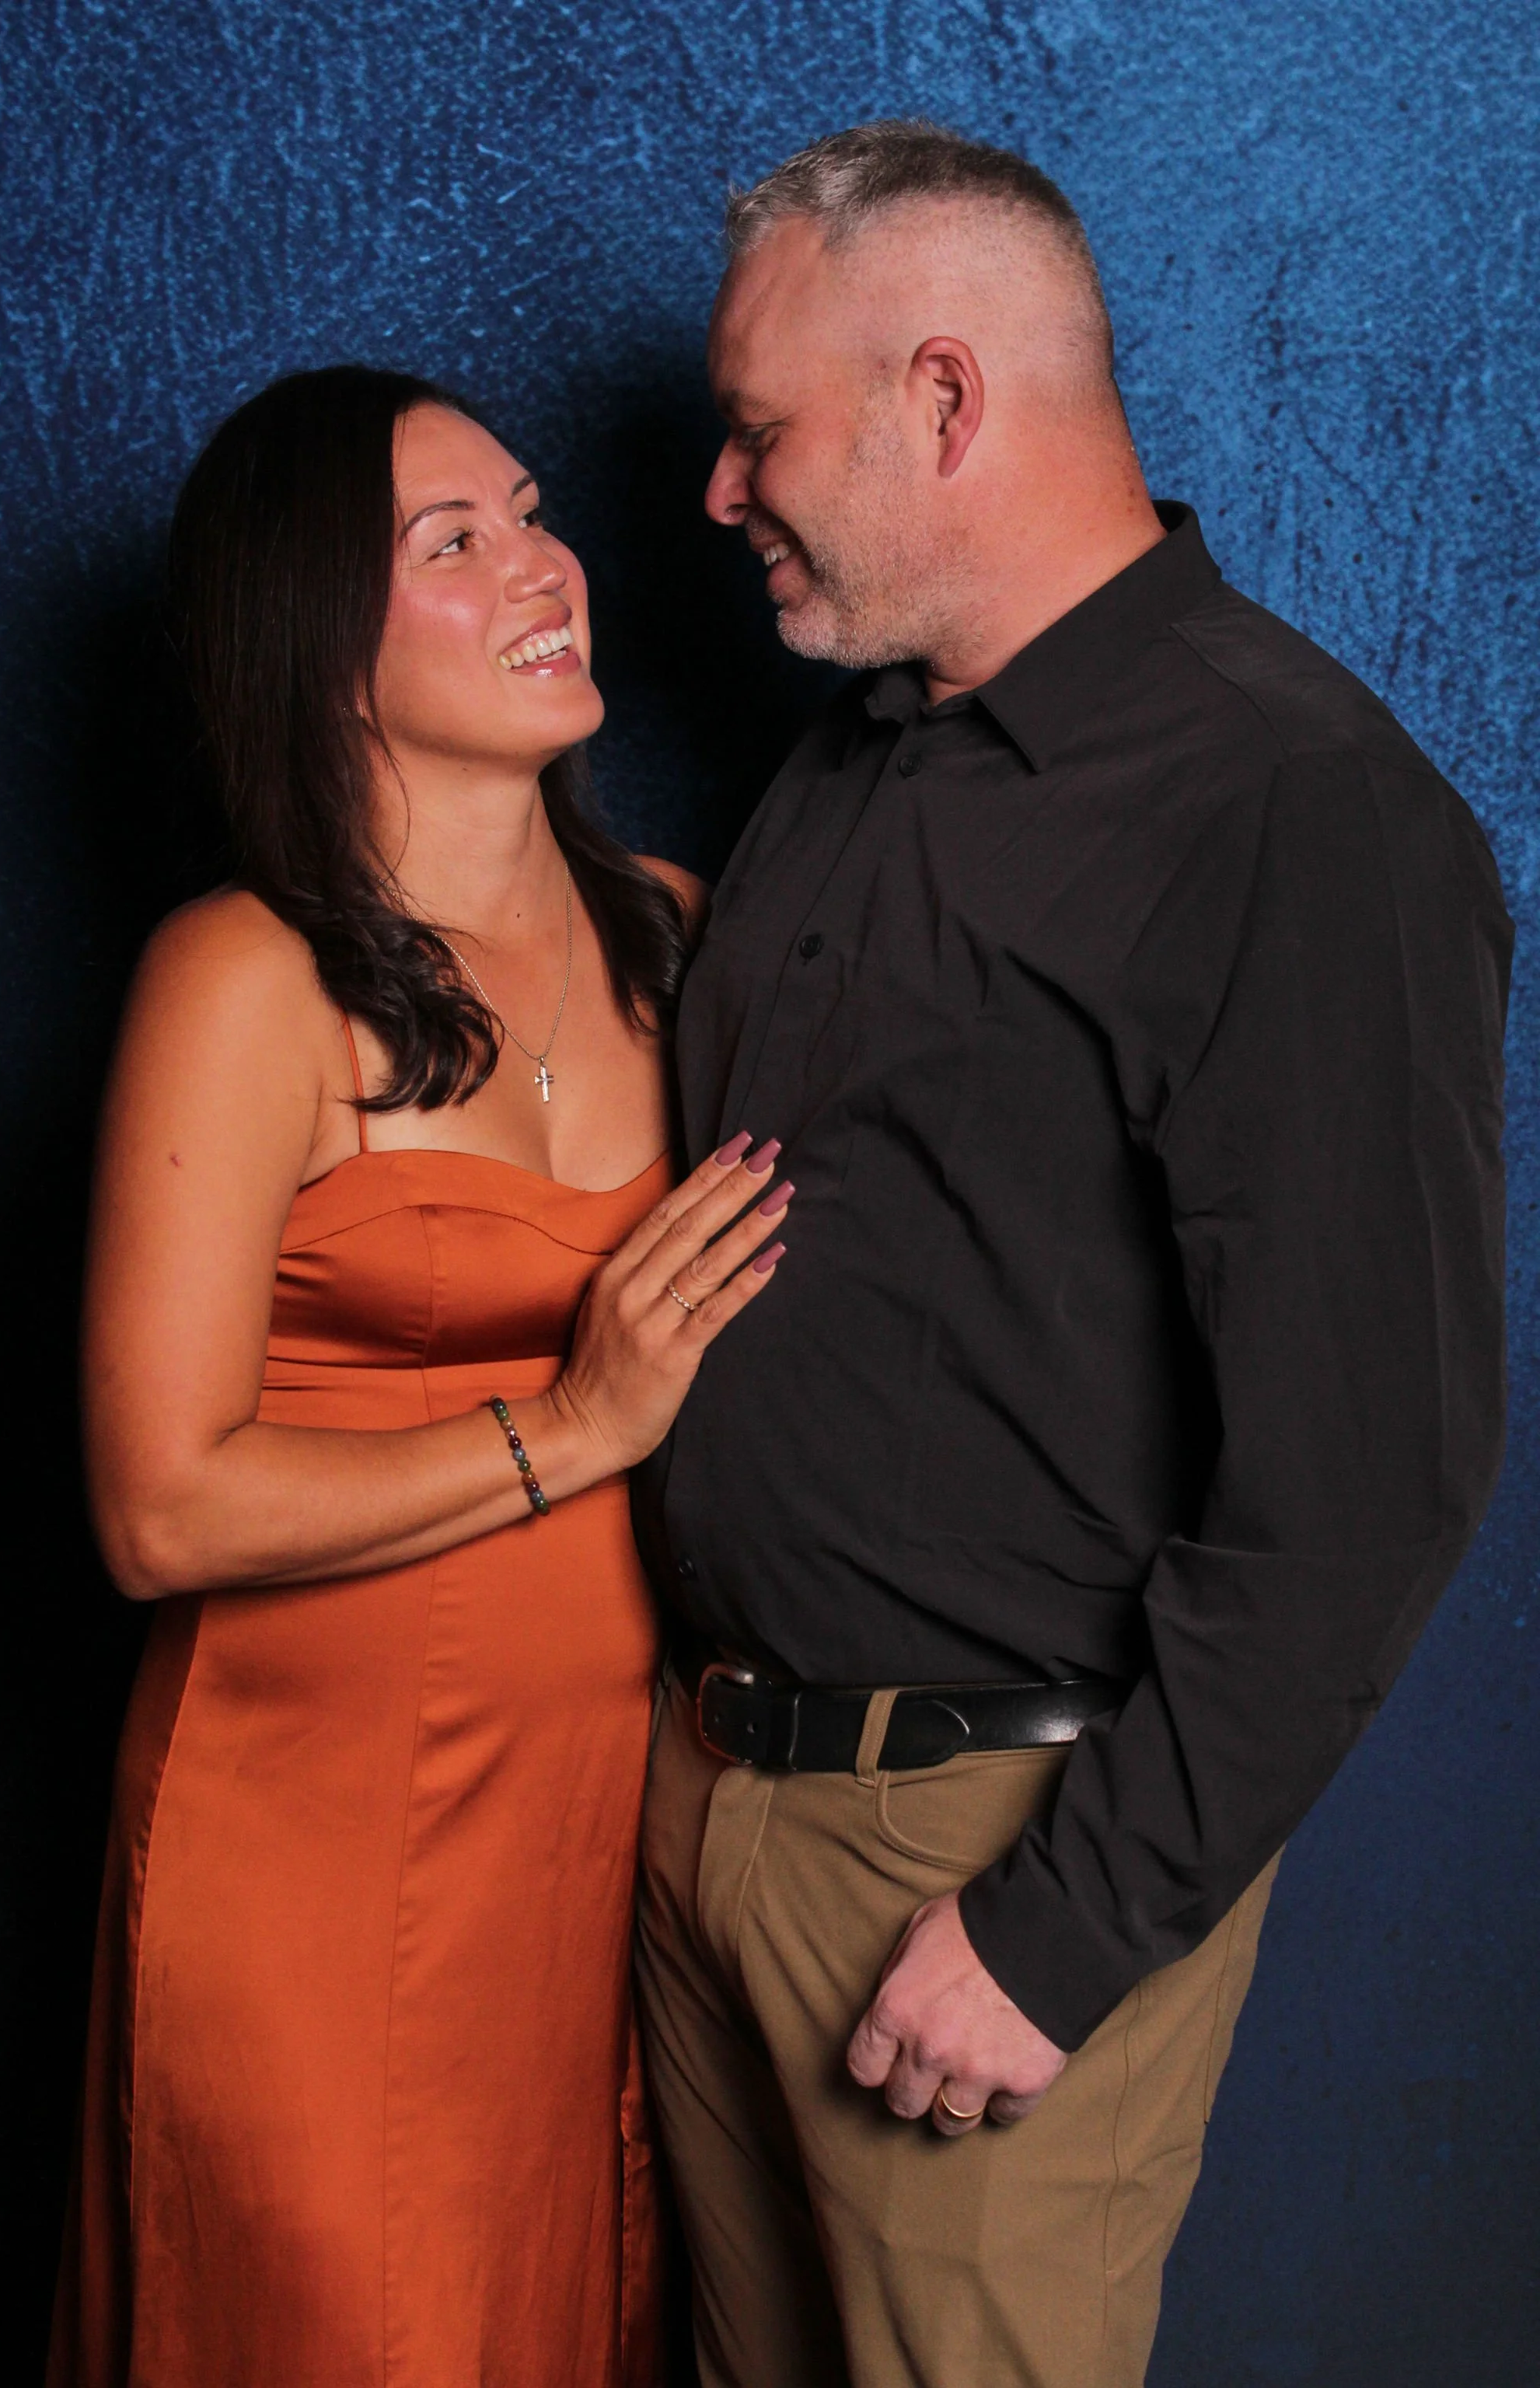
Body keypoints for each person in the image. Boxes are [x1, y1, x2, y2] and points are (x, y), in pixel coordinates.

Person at [634, 122, 1511, 2388]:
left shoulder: (1293, 806)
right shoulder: (855, 759)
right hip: (708, 1801)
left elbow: (1370, 1478)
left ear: (942, 397)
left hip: (985, 1860)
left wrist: (1058, 1931)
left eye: (756, 432)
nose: (719, 495)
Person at [47, 364, 791, 2388]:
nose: (544, 563)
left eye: (531, 512)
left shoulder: (684, 936)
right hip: (301, 1838)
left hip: (602, 1844)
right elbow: (157, 1506)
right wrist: (573, 1426)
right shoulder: (245, 977)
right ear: (322, 649)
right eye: (453, 544)